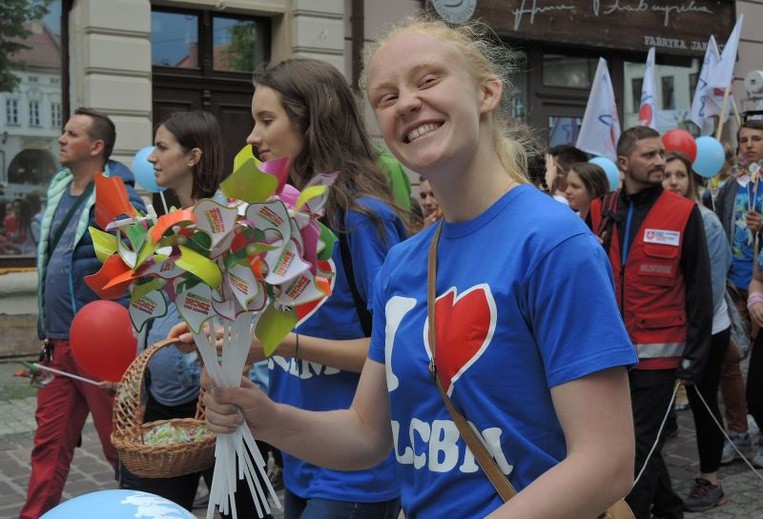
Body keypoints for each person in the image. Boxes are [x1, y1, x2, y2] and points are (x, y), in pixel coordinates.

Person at [196, 17, 637, 518]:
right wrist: (267, 417)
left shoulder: (554, 243)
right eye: (386, 97)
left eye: (428, 81)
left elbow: (606, 461)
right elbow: (366, 433)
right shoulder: (404, 262)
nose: (406, 102)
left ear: (488, 93)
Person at [173, 59, 409, 518]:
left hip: (358, 468)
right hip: (296, 451)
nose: (251, 137)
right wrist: (221, 336)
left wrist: (282, 344)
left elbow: (397, 351)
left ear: (311, 122)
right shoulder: (272, 216)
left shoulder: (362, 219)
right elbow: (271, 322)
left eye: (266, 120)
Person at [20, 107, 145, 519]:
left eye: (72, 133)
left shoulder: (117, 194)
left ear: (96, 146)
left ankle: (142, 507)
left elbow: (135, 266)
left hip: (99, 346)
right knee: (48, 442)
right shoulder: (59, 188)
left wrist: (121, 342)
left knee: (118, 444)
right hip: (57, 343)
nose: (61, 138)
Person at [590, 126, 712, 519]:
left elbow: (699, 289)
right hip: (609, 355)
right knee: (638, 442)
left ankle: (634, 512)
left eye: (662, 154)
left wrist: (695, 355)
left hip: (660, 358)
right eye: (649, 155)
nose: (661, 161)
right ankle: (671, 509)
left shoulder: (683, 212)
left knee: (638, 447)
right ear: (624, 163)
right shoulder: (599, 210)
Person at [119, 110, 225, 511]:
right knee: (154, 508)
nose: (151, 157)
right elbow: (152, 308)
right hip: (163, 396)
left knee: (239, 507)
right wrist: (141, 380)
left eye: (162, 147)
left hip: (213, 397)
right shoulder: (162, 223)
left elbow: (241, 308)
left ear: (193, 156)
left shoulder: (222, 224)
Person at [662, 151, 731, 511]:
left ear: (691, 180)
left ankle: (711, 479)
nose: (672, 181)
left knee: (704, 404)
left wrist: (692, 337)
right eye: (666, 175)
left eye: (679, 175)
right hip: (670, 330)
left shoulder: (707, 223)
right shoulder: (659, 219)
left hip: (707, 330)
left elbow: (712, 289)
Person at [714, 120, 763, 463]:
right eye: (743, 140)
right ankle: (739, 430)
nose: (748, 145)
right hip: (734, 283)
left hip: (761, 284)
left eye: (756, 139)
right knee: (730, 360)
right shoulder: (731, 187)